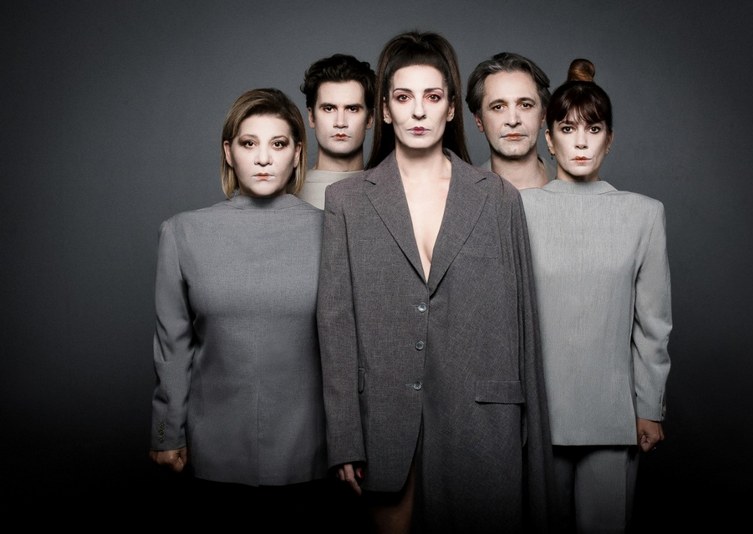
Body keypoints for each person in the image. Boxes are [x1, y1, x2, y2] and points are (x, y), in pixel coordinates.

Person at [316, 30, 554, 533]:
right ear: (385, 110)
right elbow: (335, 326)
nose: (419, 111)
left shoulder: (498, 198)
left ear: (450, 108)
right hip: (383, 423)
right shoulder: (347, 201)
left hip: (483, 421)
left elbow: (525, 325)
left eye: (432, 96)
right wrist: (344, 438)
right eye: (404, 98)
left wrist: (531, 436)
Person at [148, 88, 331, 524]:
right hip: (212, 454)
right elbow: (172, 348)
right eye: (249, 144)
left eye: (278, 144)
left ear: (297, 154)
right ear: (229, 153)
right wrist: (164, 432)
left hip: (312, 454)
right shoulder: (182, 233)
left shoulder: (333, 233)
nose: (263, 158)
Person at [520, 59, 672, 533]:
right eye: (568, 129)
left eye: (593, 129)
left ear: (610, 139)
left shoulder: (644, 214)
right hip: (535, 414)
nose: (581, 142)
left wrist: (649, 407)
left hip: (613, 414)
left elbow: (653, 324)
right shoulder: (518, 209)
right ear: (549, 139)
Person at [466, 52, 556, 189]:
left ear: (543, 116)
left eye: (525, 105)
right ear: (479, 120)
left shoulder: (571, 189)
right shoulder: (464, 193)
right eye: (498, 107)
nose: (513, 121)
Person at [298, 53, 376, 209]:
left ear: (369, 118)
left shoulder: (390, 190)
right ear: (311, 117)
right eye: (329, 108)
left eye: (352, 109)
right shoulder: (288, 191)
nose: (340, 122)